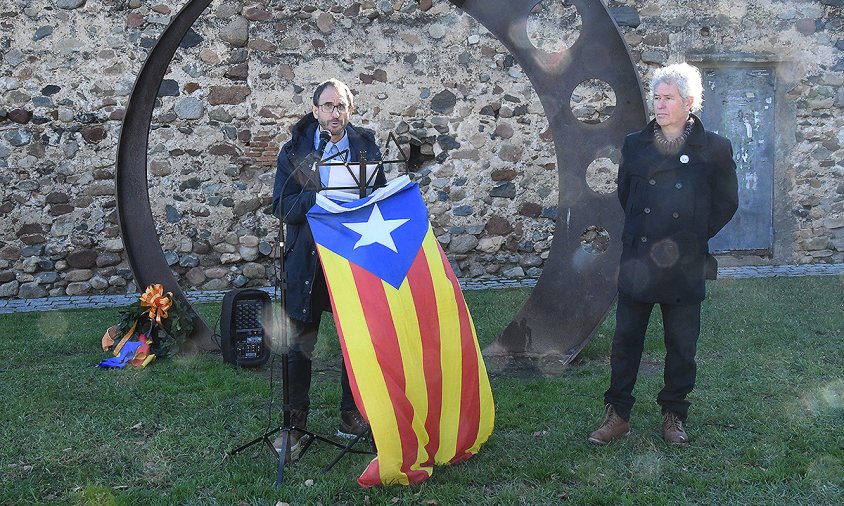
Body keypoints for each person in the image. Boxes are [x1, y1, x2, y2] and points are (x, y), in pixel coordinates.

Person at [589, 63, 739, 445]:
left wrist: (691, 237)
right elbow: (627, 195)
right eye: (656, 97)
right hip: (639, 260)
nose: (659, 104)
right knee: (625, 342)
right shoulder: (635, 144)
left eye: (668, 98)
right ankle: (618, 414)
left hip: (685, 264)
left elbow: (727, 202)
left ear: (689, 102)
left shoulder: (715, 148)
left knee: (682, 346)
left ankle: (674, 414)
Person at [271, 78, 385, 459]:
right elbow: (282, 207)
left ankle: (351, 415)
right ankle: (295, 426)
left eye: (342, 105)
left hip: (352, 262)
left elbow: (379, 200)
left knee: (356, 341)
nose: (335, 113)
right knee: (300, 343)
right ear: (315, 109)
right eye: (328, 105)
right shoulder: (294, 152)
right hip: (308, 263)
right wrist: (321, 199)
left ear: (349, 110)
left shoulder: (366, 147)